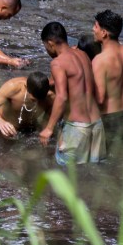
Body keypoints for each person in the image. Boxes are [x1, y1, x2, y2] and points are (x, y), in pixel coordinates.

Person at [39, 22, 106, 165]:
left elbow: (62, 97)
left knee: (66, 175)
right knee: (93, 174)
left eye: (46, 47)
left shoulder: (57, 63)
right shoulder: (83, 55)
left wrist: (49, 129)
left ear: (50, 43)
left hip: (77, 128)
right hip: (97, 125)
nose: (47, 51)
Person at [91, 10, 123, 145]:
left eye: (95, 26)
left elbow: (100, 99)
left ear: (104, 33)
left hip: (111, 120)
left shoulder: (99, 60)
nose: (93, 29)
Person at [0, 71, 54, 137]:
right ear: (26, 88)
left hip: (31, 128)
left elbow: (49, 116)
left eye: (41, 100)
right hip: (8, 127)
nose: (37, 103)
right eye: (33, 100)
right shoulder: (13, 87)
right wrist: (1, 123)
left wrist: (46, 129)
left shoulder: (51, 96)